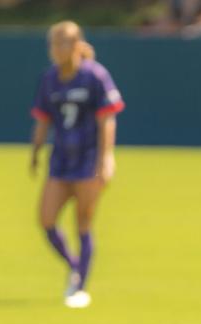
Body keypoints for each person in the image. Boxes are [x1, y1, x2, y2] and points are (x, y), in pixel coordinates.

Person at [29, 21, 124, 308]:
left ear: (76, 44)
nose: (58, 50)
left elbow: (107, 118)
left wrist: (106, 158)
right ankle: (74, 265)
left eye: (63, 43)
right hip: (61, 160)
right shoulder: (50, 79)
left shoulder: (94, 76)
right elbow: (43, 118)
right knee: (46, 219)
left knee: (83, 220)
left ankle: (80, 287)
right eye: (54, 44)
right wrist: (35, 151)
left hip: (88, 159)